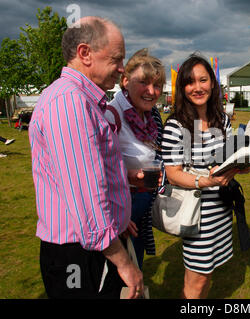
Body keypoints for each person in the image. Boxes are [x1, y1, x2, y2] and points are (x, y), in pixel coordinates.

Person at [28, 17, 144, 299]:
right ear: (85, 53)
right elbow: (87, 202)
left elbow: (90, 175)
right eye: (116, 58)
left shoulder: (80, 99)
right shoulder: (70, 102)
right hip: (80, 253)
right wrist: (125, 263)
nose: (121, 67)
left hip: (89, 245)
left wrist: (117, 216)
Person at [161, 54, 239, 299]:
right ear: (182, 88)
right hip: (196, 214)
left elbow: (225, 159)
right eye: (190, 82)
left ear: (213, 83)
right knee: (196, 279)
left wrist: (239, 165)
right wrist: (205, 181)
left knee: (208, 274)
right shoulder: (176, 125)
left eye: (203, 80)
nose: (197, 88)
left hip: (221, 211)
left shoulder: (222, 120)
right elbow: (173, 175)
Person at [105, 48, 165, 270]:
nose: (151, 91)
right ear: (125, 81)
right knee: (118, 273)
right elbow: (95, 168)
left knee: (136, 266)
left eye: (157, 85)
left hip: (142, 203)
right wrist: (116, 214)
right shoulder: (111, 115)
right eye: (144, 83)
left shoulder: (151, 115)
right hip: (120, 207)